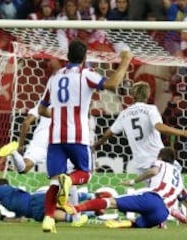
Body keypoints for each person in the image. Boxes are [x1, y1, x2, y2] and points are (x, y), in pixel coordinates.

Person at [38, 39, 133, 233]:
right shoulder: (86, 75)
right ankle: (70, 181)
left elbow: (41, 109)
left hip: (55, 136)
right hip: (78, 135)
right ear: (85, 57)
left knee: (55, 181)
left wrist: (57, 116)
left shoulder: (54, 77)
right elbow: (114, 84)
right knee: (84, 173)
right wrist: (125, 60)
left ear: (67, 56)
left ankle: (48, 219)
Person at [93, 82, 187, 181]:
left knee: (157, 190)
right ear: (148, 95)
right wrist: (183, 133)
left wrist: (98, 144)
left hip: (141, 164)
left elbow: (109, 132)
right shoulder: (150, 109)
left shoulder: (124, 114)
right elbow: (159, 127)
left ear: (132, 95)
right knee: (175, 184)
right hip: (158, 159)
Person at [73, 147, 187, 229]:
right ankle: (125, 223)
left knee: (111, 202)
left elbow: (153, 171)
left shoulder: (161, 163)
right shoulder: (179, 180)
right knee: (137, 224)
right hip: (161, 215)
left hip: (153, 199)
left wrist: (133, 181)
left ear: (160, 157)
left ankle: (77, 208)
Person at [0, 178, 88, 226]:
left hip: (33, 204)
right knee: (55, 213)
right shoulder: (12, 198)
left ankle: (85, 205)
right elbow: (20, 220)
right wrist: (1, 217)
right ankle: (90, 211)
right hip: (33, 205)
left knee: (53, 212)